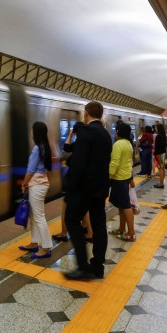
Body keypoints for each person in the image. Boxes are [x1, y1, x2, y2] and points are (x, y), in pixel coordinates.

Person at [63, 101, 112, 280]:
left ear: (86, 113)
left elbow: (78, 163)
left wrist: (70, 186)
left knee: (71, 220)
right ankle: (98, 266)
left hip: (84, 189)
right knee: (99, 226)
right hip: (100, 188)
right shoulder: (106, 134)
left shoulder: (87, 132)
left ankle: (83, 267)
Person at [18, 122, 53, 259]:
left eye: (32, 130)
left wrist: (24, 183)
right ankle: (34, 242)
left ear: (36, 132)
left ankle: (46, 247)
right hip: (40, 183)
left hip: (36, 185)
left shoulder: (37, 148)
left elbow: (31, 170)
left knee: (39, 217)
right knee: (34, 215)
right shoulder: (44, 147)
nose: (31, 132)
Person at [52, 124, 93, 243]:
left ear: (76, 133)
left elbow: (66, 148)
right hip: (84, 181)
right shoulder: (88, 144)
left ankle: (64, 233)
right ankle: (88, 231)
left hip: (74, 181)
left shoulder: (78, 144)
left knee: (66, 208)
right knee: (84, 208)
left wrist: (70, 135)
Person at [107, 122, 136, 241]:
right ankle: (121, 229)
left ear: (118, 132)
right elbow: (128, 162)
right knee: (121, 206)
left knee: (125, 206)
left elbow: (115, 162)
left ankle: (131, 233)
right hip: (125, 176)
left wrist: (109, 176)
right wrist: (130, 178)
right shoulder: (128, 143)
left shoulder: (118, 144)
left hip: (119, 178)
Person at [153, 123, 167, 188]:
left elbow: (157, 147)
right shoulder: (164, 136)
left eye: (156, 127)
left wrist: (155, 155)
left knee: (160, 169)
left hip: (159, 154)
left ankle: (161, 184)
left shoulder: (158, 136)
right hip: (163, 153)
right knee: (162, 168)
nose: (155, 129)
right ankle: (162, 182)